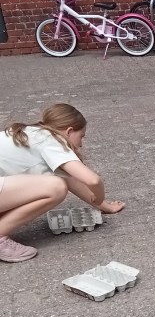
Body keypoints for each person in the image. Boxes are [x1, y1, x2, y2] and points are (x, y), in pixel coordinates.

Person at [0, 103, 124, 263]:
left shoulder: (35, 132)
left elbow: (70, 178)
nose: (81, 143)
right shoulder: (51, 142)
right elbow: (93, 180)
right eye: (82, 136)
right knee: (56, 188)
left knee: (55, 182)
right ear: (69, 131)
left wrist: (104, 206)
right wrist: (99, 197)